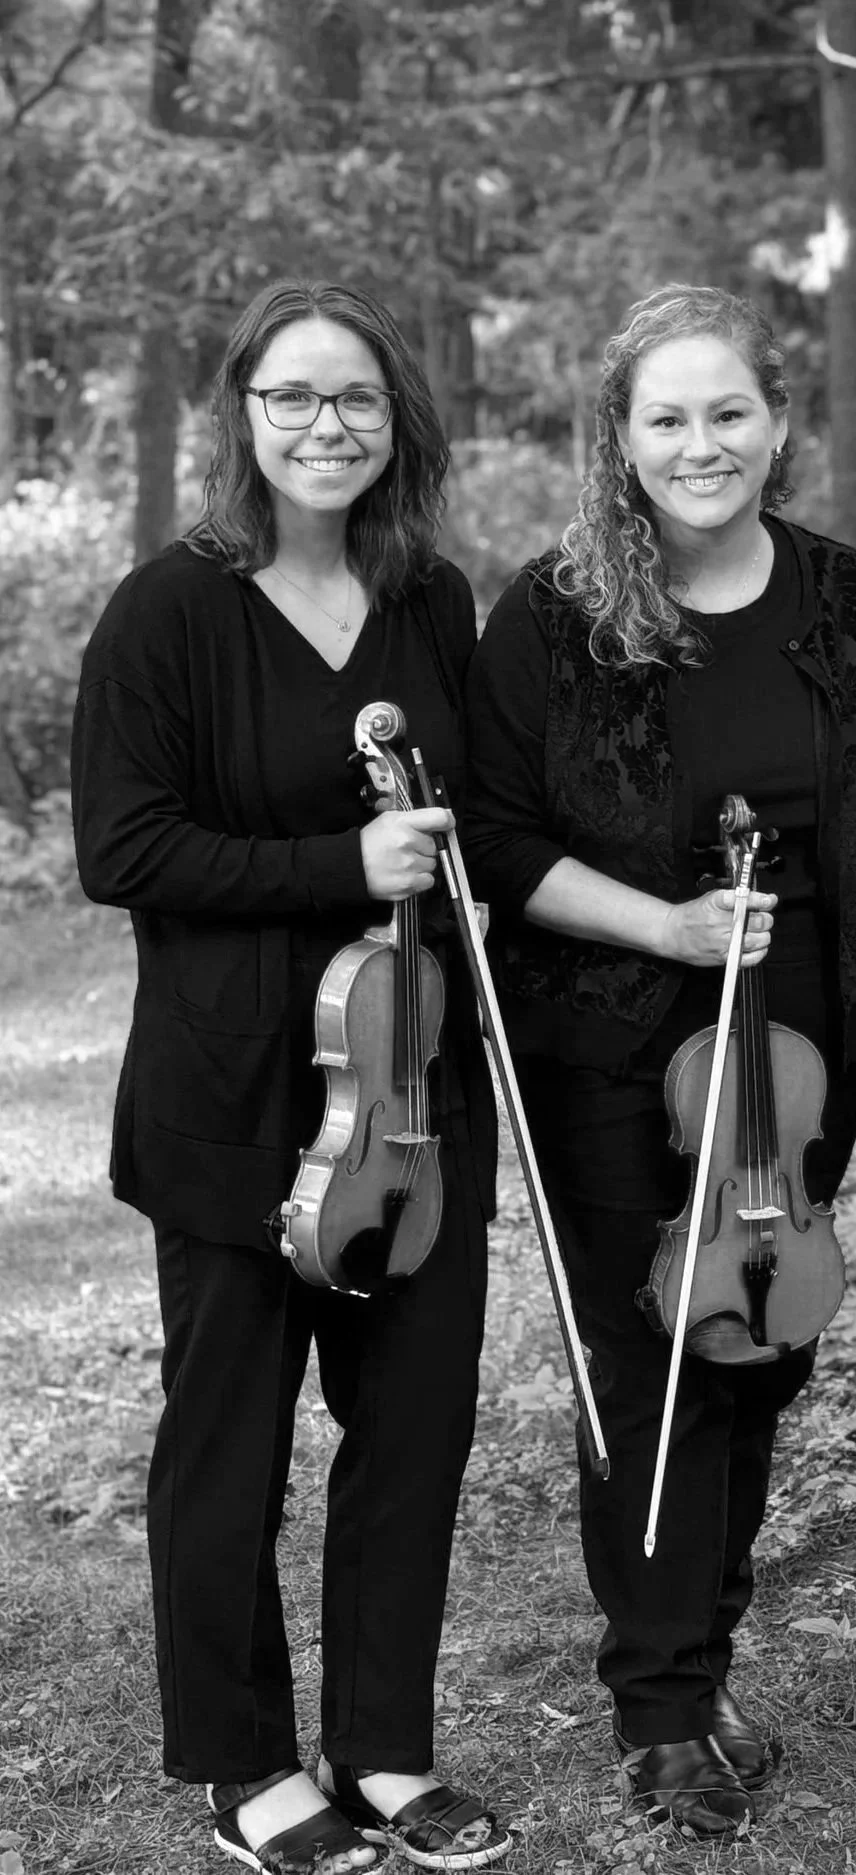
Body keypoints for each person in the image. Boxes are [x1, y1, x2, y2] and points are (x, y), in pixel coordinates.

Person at [70, 280, 510, 1875]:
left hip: (405, 1084)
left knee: (415, 1429)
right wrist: (347, 854)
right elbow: (121, 847)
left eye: (358, 402)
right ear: (241, 417)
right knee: (231, 1437)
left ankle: (384, 1747)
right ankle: (243, 1759)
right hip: (233, 1091)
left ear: (399, 424)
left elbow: (474, 824)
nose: (327, 427)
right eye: (293, 398)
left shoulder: (428, 597)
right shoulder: (167, 610)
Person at [459, 284, 856, 1836]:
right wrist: (666, 929)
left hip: (814, 1035)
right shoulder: (552, 615)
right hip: (613, 1035)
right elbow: (503, 840)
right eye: (667, 416)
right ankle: (657, 1707)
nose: (701, 442)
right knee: (648, 1357)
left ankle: (702, 1657)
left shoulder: (851, 599)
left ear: (778, 424)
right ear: (620, 438)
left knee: (761, 1338)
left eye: (729, 411)